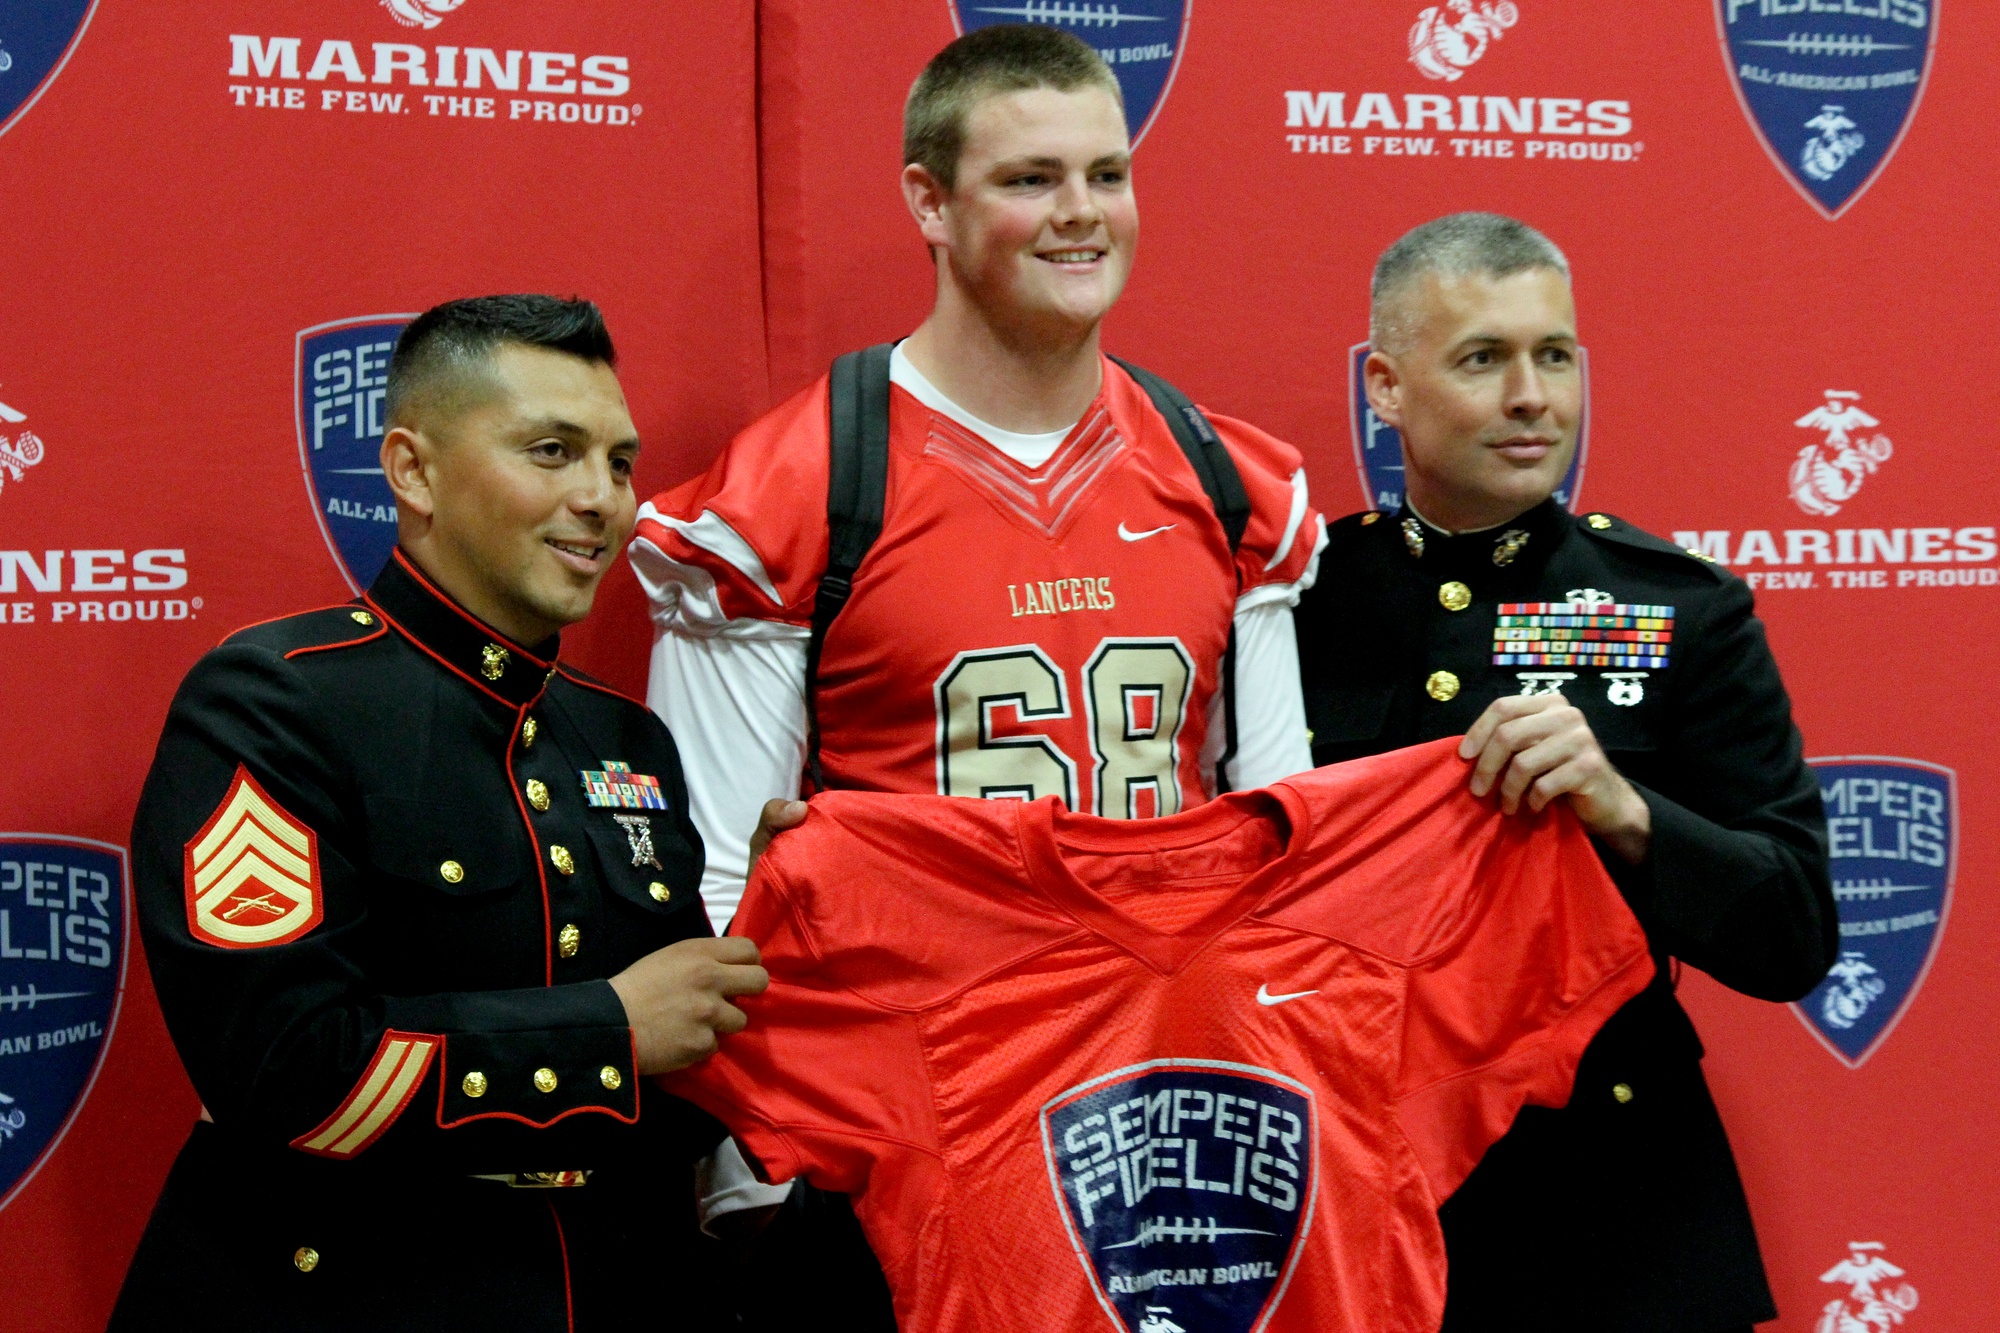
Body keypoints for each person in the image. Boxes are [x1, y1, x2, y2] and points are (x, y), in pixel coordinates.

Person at [628, 23, 1324, 1323]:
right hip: (902, 1135)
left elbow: (1279, 834)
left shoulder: (1226, 481)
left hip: (1157, 1127)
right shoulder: (795, 492)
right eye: (1031, 178)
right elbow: (717, 881)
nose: (1083, 214)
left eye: (1107, 174)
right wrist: (782, 1151)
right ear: (928, 202)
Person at [110, 296, 767, 1332]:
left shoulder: (624, 739)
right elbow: (287, 1071)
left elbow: (676, 1089)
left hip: (618, 1283)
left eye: (620, 461)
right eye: (551, 451)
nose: (600, 497)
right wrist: (613, 1027)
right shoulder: (273, 701)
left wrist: (778, 957)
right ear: (412, 470)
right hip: (342, 1293)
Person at [1293, 213, 1837, 1332]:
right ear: (1385, 389)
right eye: (1481, 358)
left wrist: (1623, 808)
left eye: (1553, 355)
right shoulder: (1292, 605)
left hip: (1611, 1205)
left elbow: (1793, 931)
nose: (1531, 395)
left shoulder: (1680, 606)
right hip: (1356, 1185)